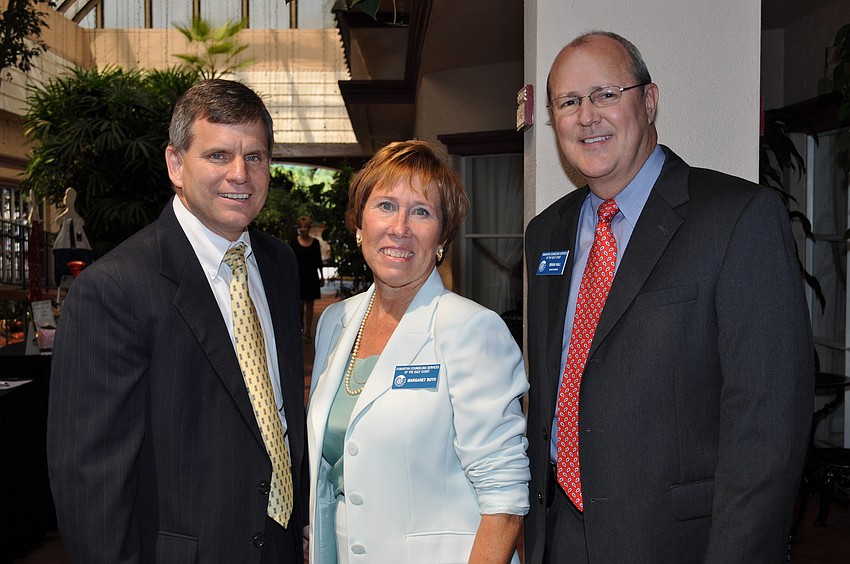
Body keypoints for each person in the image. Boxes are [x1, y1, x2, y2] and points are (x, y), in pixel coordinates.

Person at [523, 32, 814, 563]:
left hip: (681, 546)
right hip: (561, 538)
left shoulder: (737, 218)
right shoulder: (546, 233)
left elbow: (767, 427)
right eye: (568, 102)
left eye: (605, 94)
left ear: (650, 101)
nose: (586, 116)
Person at [47, 79, 308, 564]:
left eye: (255, 156)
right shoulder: (114, 289)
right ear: (175, 164)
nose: (240, 174)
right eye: (218, 155)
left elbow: (280, 409)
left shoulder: (279, 264)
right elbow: (91, 480)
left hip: (280, 545)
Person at [307, 140, 530, 563]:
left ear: (442, 236)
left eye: (422, 211)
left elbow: (504, 500)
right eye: (386, 205)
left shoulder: (472, 330)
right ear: (359, 224)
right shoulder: (335, 323)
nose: (400, 227)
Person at [290, 215, 324, 342]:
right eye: (301, 227)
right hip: (298, 278)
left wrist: (321, 276)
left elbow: (318, 261)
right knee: (299, 305)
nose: (303, 229)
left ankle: (308, 331)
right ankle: (301, 328)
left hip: (311, 277)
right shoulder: (293, 242)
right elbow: (290, 262)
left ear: (309, 228)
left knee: (310, 304)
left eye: (305, 227)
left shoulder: (315, 243)